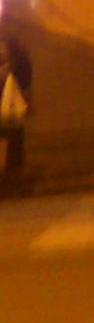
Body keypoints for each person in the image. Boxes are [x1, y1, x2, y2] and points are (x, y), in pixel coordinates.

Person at [0, 16, 34, 195]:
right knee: (14, 140)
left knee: (11, 140)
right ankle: (12, 178)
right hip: (11, 106)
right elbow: (27, 79)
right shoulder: (19, 53)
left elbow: (26, 77)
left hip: (8, 104)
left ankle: (9, 178)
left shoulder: (18, 54)